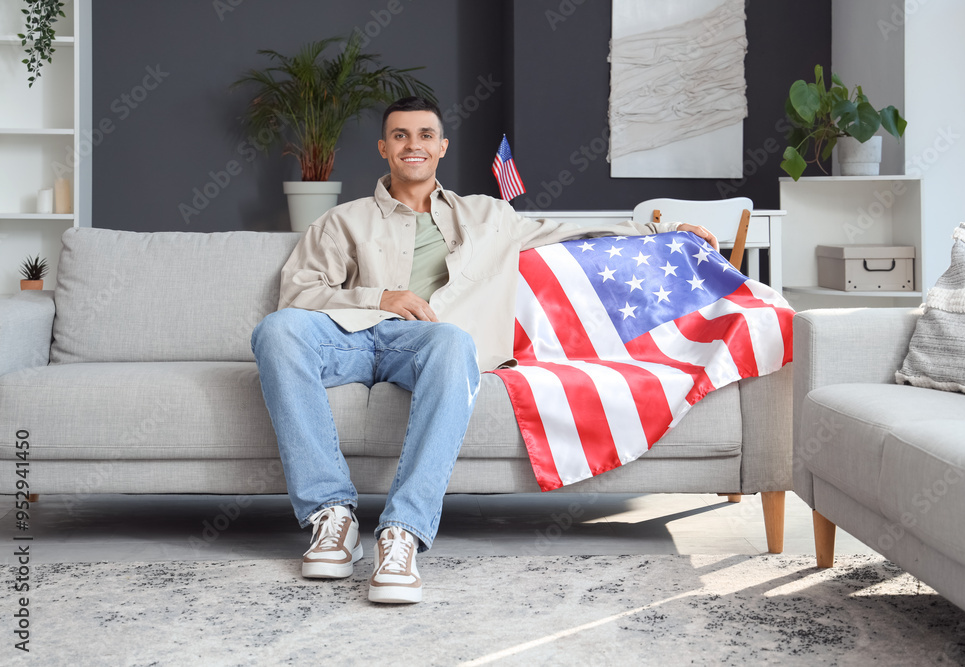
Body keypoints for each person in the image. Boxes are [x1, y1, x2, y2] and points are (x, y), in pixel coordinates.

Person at [251, 96, 718, 604]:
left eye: (425, 135)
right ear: (384, 148)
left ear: (442, 147)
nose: (414, 145)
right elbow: (298, 293)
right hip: (355, 338)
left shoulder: (490, 216)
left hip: (429, 344)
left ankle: (402, 532)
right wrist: (381, 297)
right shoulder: (345, 220)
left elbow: (570, 229)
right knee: (276, 331)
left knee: (455, 340)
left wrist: (662, 233)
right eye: (401, 136)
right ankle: (332, 517)